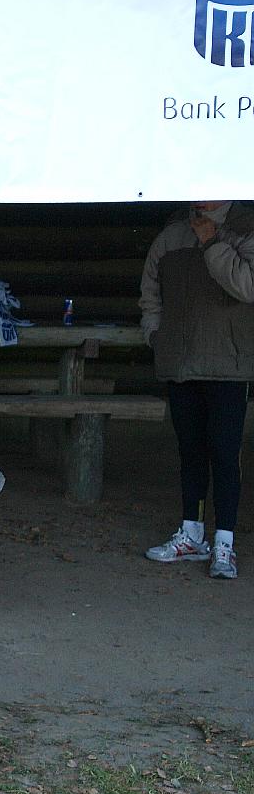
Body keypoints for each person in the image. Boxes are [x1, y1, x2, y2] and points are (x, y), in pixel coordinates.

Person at [139, 201, 254, 579]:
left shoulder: (245, 227)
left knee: (225, 453)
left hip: (229, 365)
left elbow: (247, 286)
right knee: (190, 451)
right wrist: (155, 334)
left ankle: (224, 542)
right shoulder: (172, 233)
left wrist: (213, 243)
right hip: (181, 362)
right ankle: (191, 534)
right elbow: (150, 290)